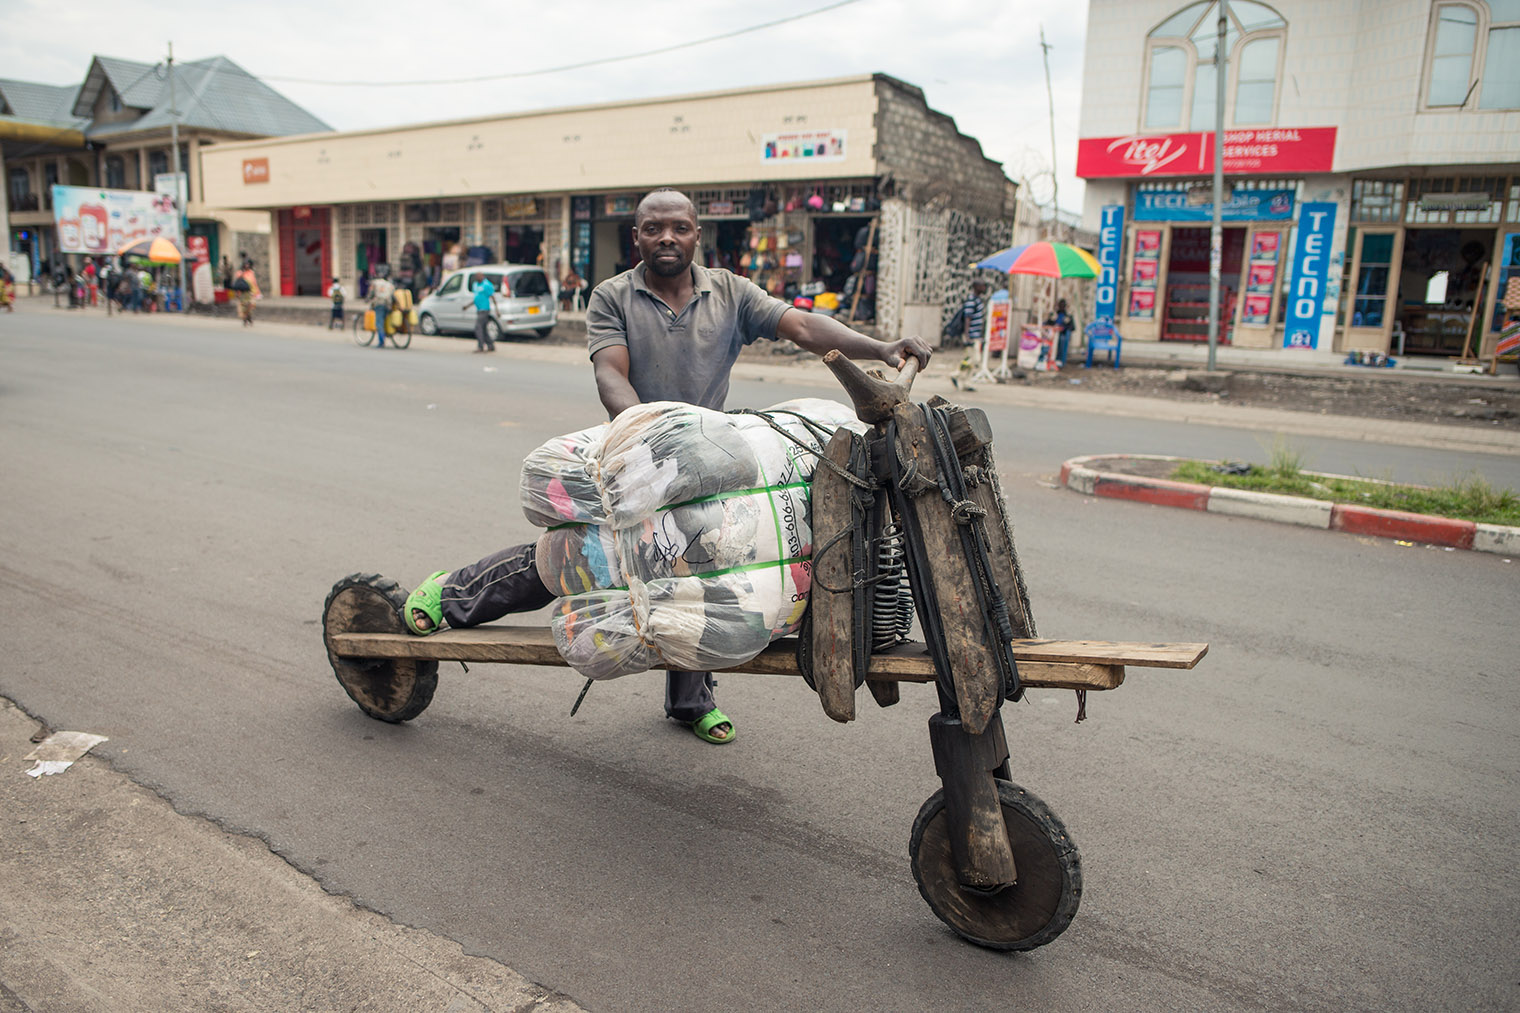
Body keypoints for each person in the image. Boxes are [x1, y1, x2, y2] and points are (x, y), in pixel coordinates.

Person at [399, 188, 931, 746]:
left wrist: (881, 347)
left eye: (678, 227)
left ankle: (690, 701)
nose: (667, 238)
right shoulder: (612, 296)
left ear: (697, 233)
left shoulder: (730, 291)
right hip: (630, 456)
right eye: (654, 229)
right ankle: (453, 595)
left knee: (703, 566)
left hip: (707, 462)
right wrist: (647, 437)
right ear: (638, 237)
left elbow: (800, 327)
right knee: (580, 559)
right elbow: (610, 372)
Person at [470, 272, 498, 352]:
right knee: (483, 328)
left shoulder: (487, 285)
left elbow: (492, 297)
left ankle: (480, 346)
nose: (477, 277)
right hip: (478, 309)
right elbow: (476, 298)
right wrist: (467, 306)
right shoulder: (475, 285)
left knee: (478, 327)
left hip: (485, 309)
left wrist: (497, 310)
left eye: (479, 276)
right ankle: (490, 345)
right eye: (476, 276)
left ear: (482, 276)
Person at [369, 266, 395, 348]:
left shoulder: (375, 283)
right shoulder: (390, 285)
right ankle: (386, 334)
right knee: (385, 320)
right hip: (388, 306)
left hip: (379, 304)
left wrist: (367, 299)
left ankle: (381, 342)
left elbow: (371, 294)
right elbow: (393, 296)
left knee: (379, 323)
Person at [1045, 298, 1075, 368]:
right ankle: (1048, 359)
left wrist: (1063, 328)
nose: (1061, 307)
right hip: (1052, 333)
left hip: (1062, 334)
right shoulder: (1054, 315)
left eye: (1063, 305)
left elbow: (1072, 327)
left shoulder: (1068, 316)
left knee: (1061, 339)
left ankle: (1059, 359)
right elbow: (1047, 324)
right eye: (1060, 305)